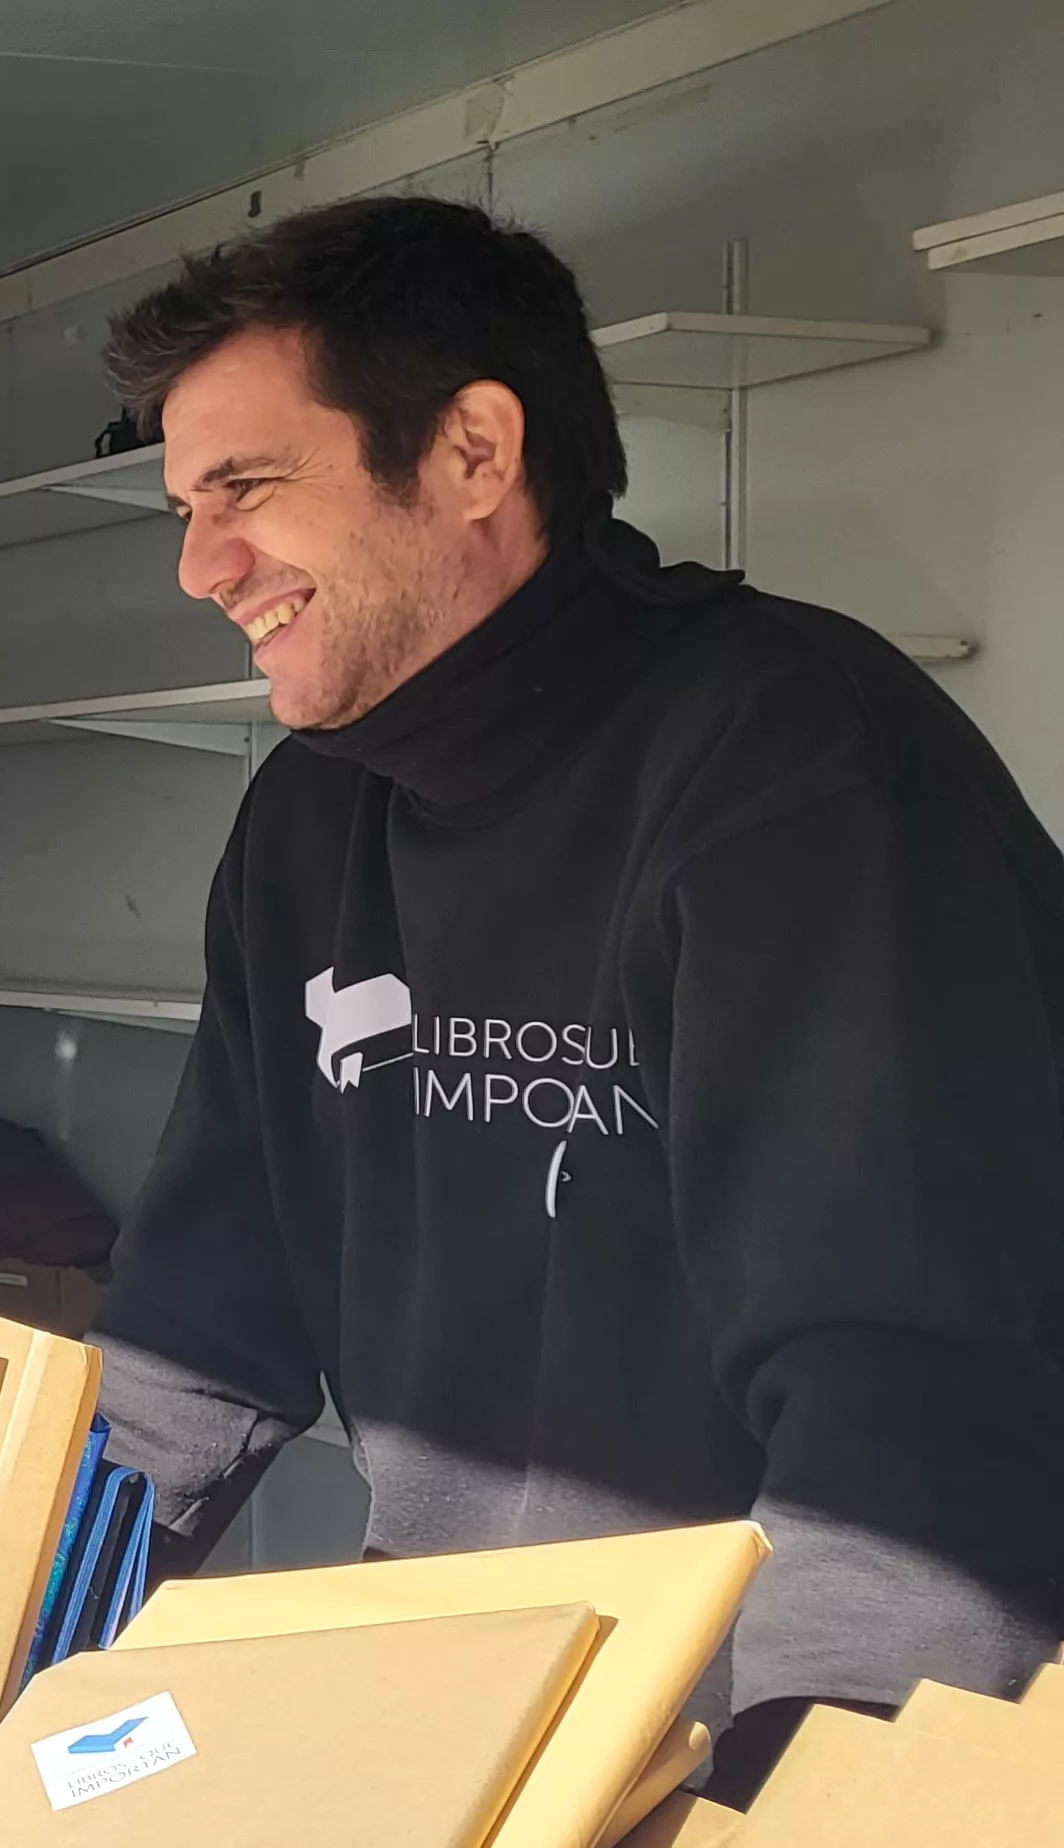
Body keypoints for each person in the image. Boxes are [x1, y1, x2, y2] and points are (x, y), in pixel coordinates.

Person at [88, 196, 1064, 1796]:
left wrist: (790, 1802)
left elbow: (911, 1399)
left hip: (747, 1744)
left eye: (247, 488)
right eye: (186, 507)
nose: (202, 565)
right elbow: (197, 1333)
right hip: (471, 1723)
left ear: (475, 452)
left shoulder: (795, 764)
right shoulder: (310, 821)